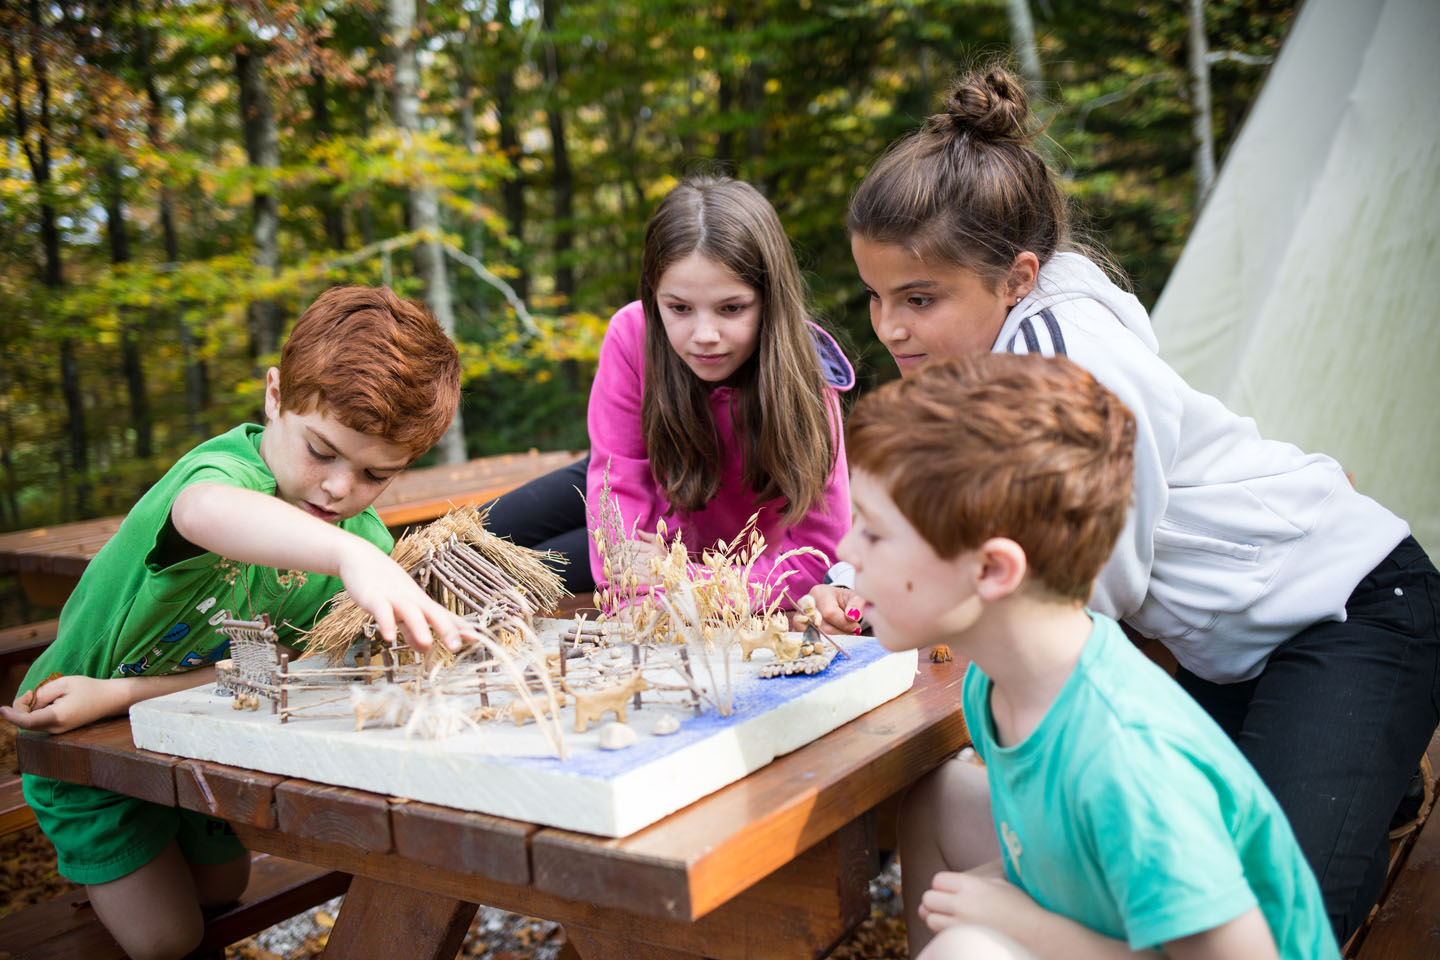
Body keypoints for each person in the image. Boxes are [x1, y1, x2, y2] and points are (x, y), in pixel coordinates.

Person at [810, 65, 1440, 941]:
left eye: (919, 299)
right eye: (877, 299)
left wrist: (946, 620)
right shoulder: (1000, 339)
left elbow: (1084, 577)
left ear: (1017, 276)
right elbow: (941, 504)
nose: (891, 329)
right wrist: (859, 572)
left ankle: (1363, 754)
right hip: (1233, 649)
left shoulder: (1070, 365)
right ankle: (1351, 766)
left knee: (1283, 914)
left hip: (1347, 611)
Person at [0, 285, 475, 960]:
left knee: (225, 889)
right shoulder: (226, 476)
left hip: (182, 718)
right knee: (169, 938)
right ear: (275, 397)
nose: (339, 489)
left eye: (374, 475)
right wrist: (347, 556)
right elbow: (204, 513)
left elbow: (268, 668)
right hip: (82, 742)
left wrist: (127, 693)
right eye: (320, 450)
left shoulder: (357, 541)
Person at [842, 353, 1338, 959]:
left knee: (971, 951)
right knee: (938, 799)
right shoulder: (996, 685)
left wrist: (1021, 924)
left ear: (993, 569)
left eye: (873, 531)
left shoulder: (1127, 756)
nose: (846, 548)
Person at [490, 175, 853, 607]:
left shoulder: (808, 379)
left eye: (731, 308)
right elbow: (618, 486)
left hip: (712, 557)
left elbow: (818, 561)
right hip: (641, 478)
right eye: (679, 308)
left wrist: (677, 579)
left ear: (771, 300)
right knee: (476, 539)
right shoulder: (632, 333)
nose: (704, 335)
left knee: (522, 575)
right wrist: (631, 591)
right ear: (653, 296)